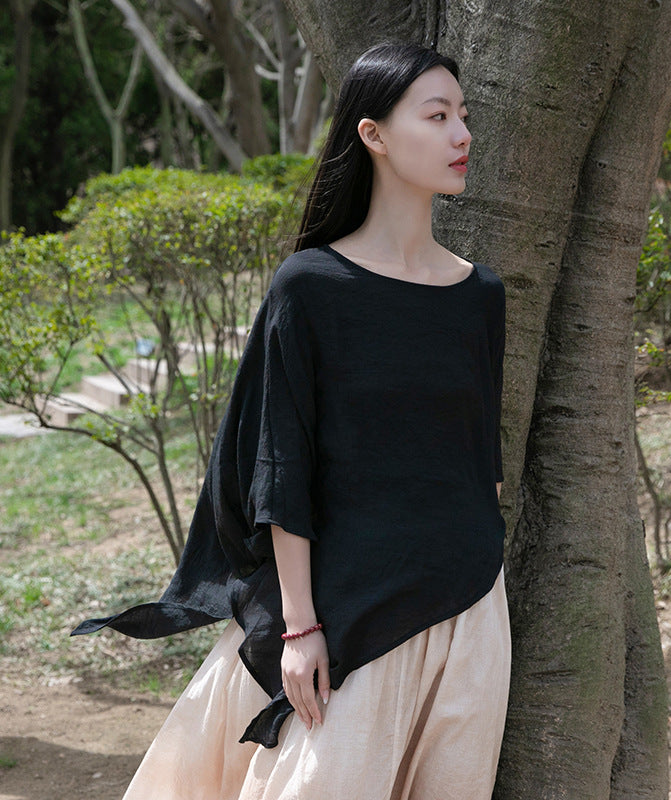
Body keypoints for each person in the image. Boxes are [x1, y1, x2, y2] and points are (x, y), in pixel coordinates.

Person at [72, 40, 510, 800]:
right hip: (348, 604)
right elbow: (283, 470)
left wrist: (482, 596)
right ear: (373, 134)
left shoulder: (480, 296)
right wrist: (301, 629)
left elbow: (479, 465)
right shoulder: (309, 288)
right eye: (438, 116)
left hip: (467, 610)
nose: (462, 135)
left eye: (463, 116)